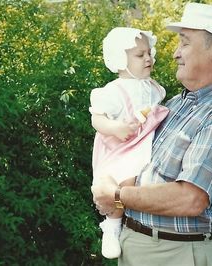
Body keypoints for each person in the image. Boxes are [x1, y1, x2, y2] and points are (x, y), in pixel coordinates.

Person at [92, 3, 212, 265]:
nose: (175, 53)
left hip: (180, 253)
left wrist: (116, 195)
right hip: (141, 244)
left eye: (184, 43)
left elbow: (190, 199)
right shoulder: (175, 104)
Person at [89, 27, 169, 259]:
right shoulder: (114, 91)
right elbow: (97, 118)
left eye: (149, 53)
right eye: (139, 55)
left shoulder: (152, 87)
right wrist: (115, 128)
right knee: (122, 182)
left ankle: (131, 221)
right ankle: (112, 226)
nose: (148, 58)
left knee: (140, 182)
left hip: (144, 142)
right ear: (120, 60)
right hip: (120, 147)